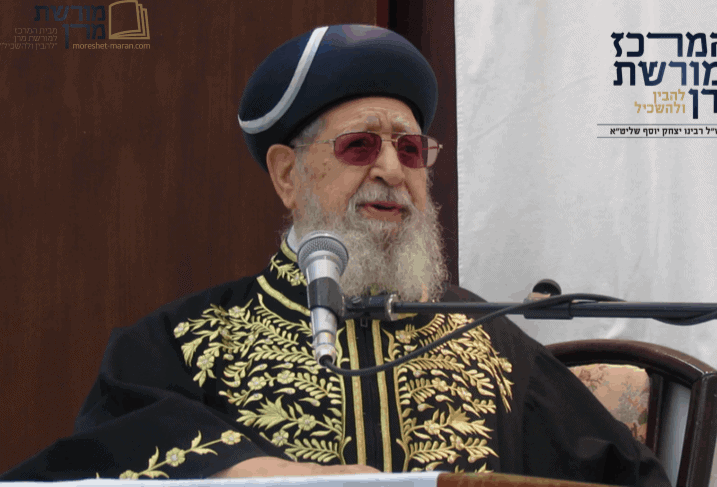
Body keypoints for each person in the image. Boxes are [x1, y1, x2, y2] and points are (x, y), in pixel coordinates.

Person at [1, 25, 670, 486]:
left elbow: (625, 475)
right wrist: (244, 469)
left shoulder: (487, 340)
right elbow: (96, 459)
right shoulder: (183, 342)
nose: (392, 170)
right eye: (359, 146)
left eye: (410, 149)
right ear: (287, 175)